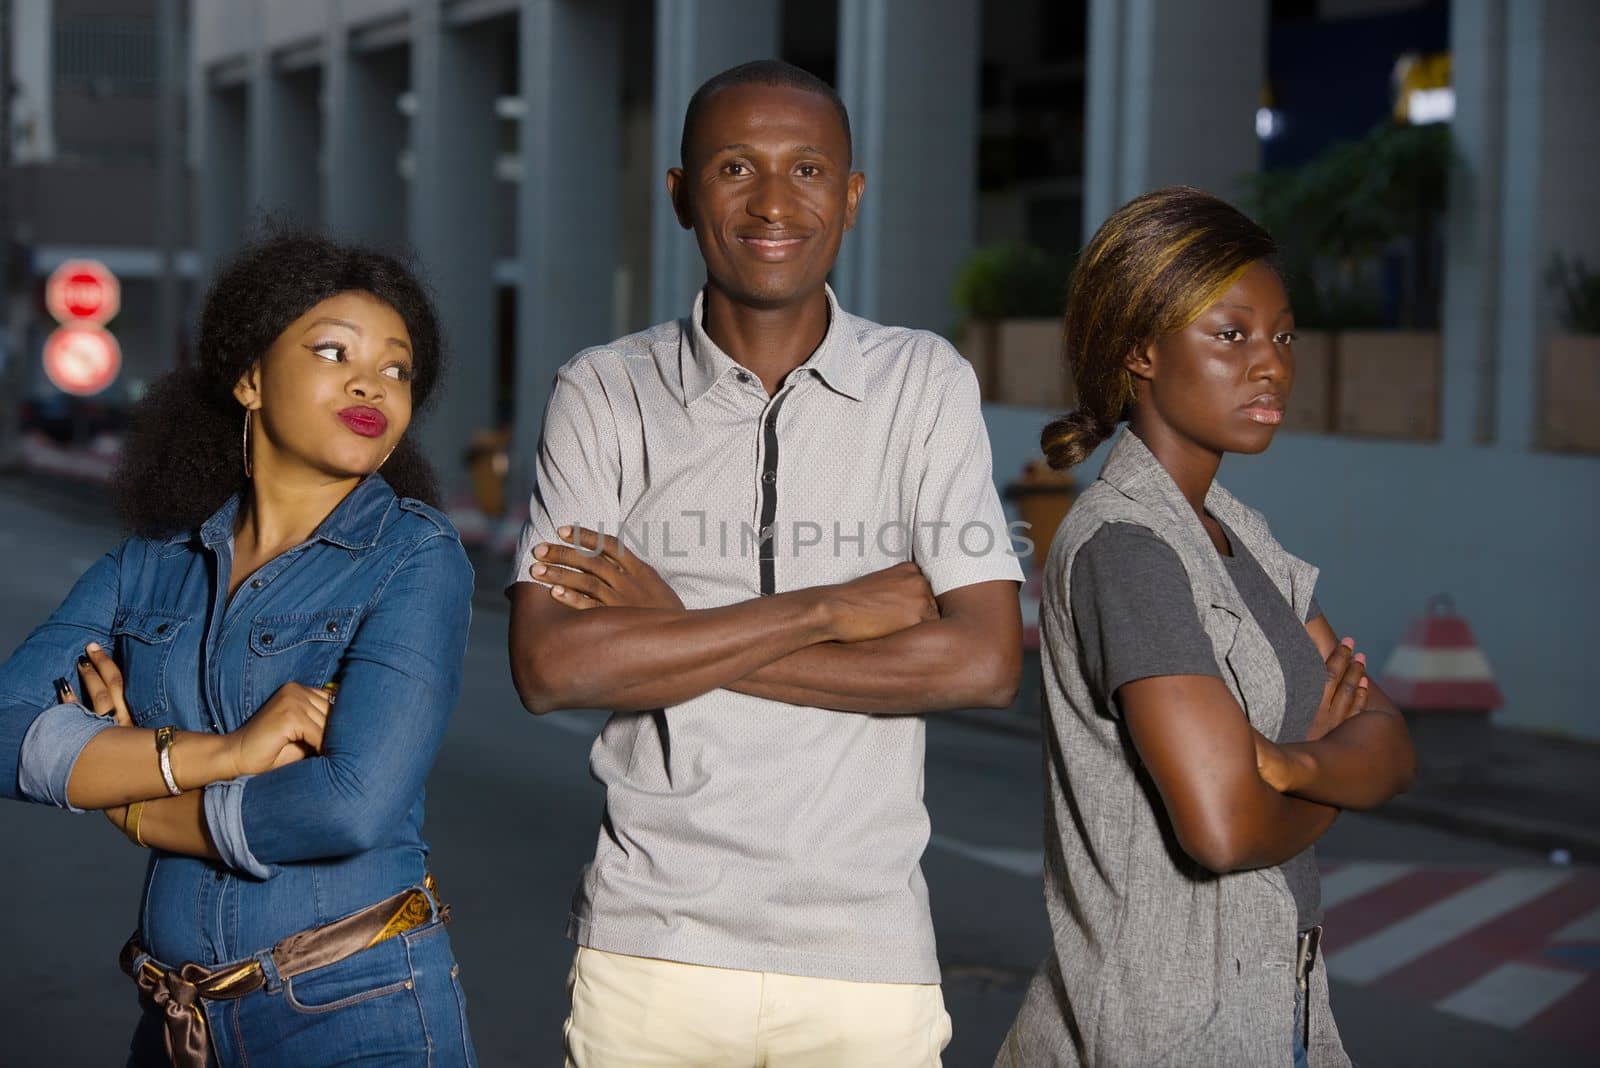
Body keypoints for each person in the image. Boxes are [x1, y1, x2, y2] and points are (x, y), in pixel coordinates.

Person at [506, 60, 1024, 1066]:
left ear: (852, 196)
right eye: (736, 168)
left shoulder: (922, 384)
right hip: (653, 948)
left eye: (809, 170)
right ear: (680, 195)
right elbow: (549, 669)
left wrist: (667, 632)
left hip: (867, 956)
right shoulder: (603, 392)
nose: (774, 203)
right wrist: (824, 611)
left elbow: (983, 664)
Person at [0, 233, 478, 1067]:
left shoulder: (415, 556)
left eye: (397, 370)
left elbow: (347, 804)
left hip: (353, 1011)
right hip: (179, 1022)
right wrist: (226, 752)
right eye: (334, 352)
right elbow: (7, 730)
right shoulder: (151, 563)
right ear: (250, 378)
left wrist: (133, 800)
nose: (372, 383)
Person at [996, 187, 1416, 1068]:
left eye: (1283, 335)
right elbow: (1222, 828)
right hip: (1174, 1031)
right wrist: (1336, 779)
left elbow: (1393, 742)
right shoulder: (1131, 553)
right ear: (1140, 350)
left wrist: (1296, 766)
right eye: (1232, 335)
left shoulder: (1240, 538)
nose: (1272, 364)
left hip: (1279, 1006)